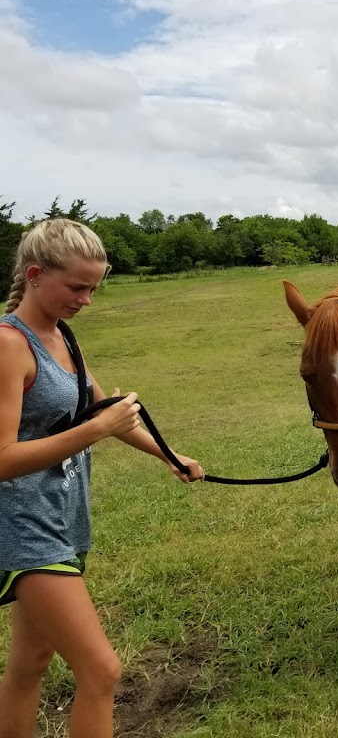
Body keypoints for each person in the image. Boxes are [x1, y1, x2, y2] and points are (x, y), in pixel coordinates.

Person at [0, 219, 204, 738]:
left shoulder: (64, 338)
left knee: (31, 662)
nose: (86, 299)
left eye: (94, 287)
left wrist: (169, 455)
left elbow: (101, 411)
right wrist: (95, 431)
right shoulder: (9, 346)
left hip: (63, 518)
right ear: (35, 274)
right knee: (102, 670)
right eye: (76, 287)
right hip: (21, 529)